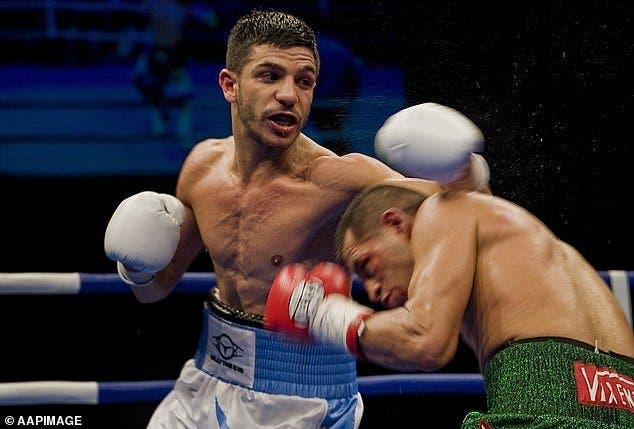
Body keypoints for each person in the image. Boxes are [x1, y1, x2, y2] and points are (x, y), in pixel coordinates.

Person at [104, 9, 489, 429]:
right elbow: (155, 290)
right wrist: (137, 268)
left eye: (303, 82)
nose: (289, 94)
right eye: (270, 76)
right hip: (202, 382)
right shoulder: (201, 167)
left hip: (301, 402)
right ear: (229, 85)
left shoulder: (342, 179)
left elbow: (477, 214)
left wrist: (463, 168)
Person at [267, 183, 634, 428]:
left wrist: (319, 314)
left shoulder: (439, 212)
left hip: (542, 395)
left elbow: (423, 340)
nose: (374, 292)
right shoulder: (509, 232)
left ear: (395, 222)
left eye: (367, 265)